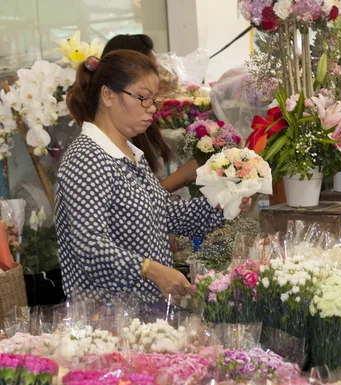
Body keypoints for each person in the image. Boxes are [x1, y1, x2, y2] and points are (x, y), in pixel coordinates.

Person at [55, 50, 249, 303]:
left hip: (143, 313)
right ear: (108, 95)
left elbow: (165, 215)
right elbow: (90, 247)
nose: (151, 109)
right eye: (142, 98)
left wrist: (220, 204)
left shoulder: (130, 154)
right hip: (106, 316)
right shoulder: (86, 160)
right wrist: (151, 270)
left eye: (154, 100)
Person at [102, 34, 198, 193]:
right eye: (152, 70)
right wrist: (182, 177)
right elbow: (133, 207)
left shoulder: (138, 122)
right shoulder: (105, 146)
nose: (159, 77)